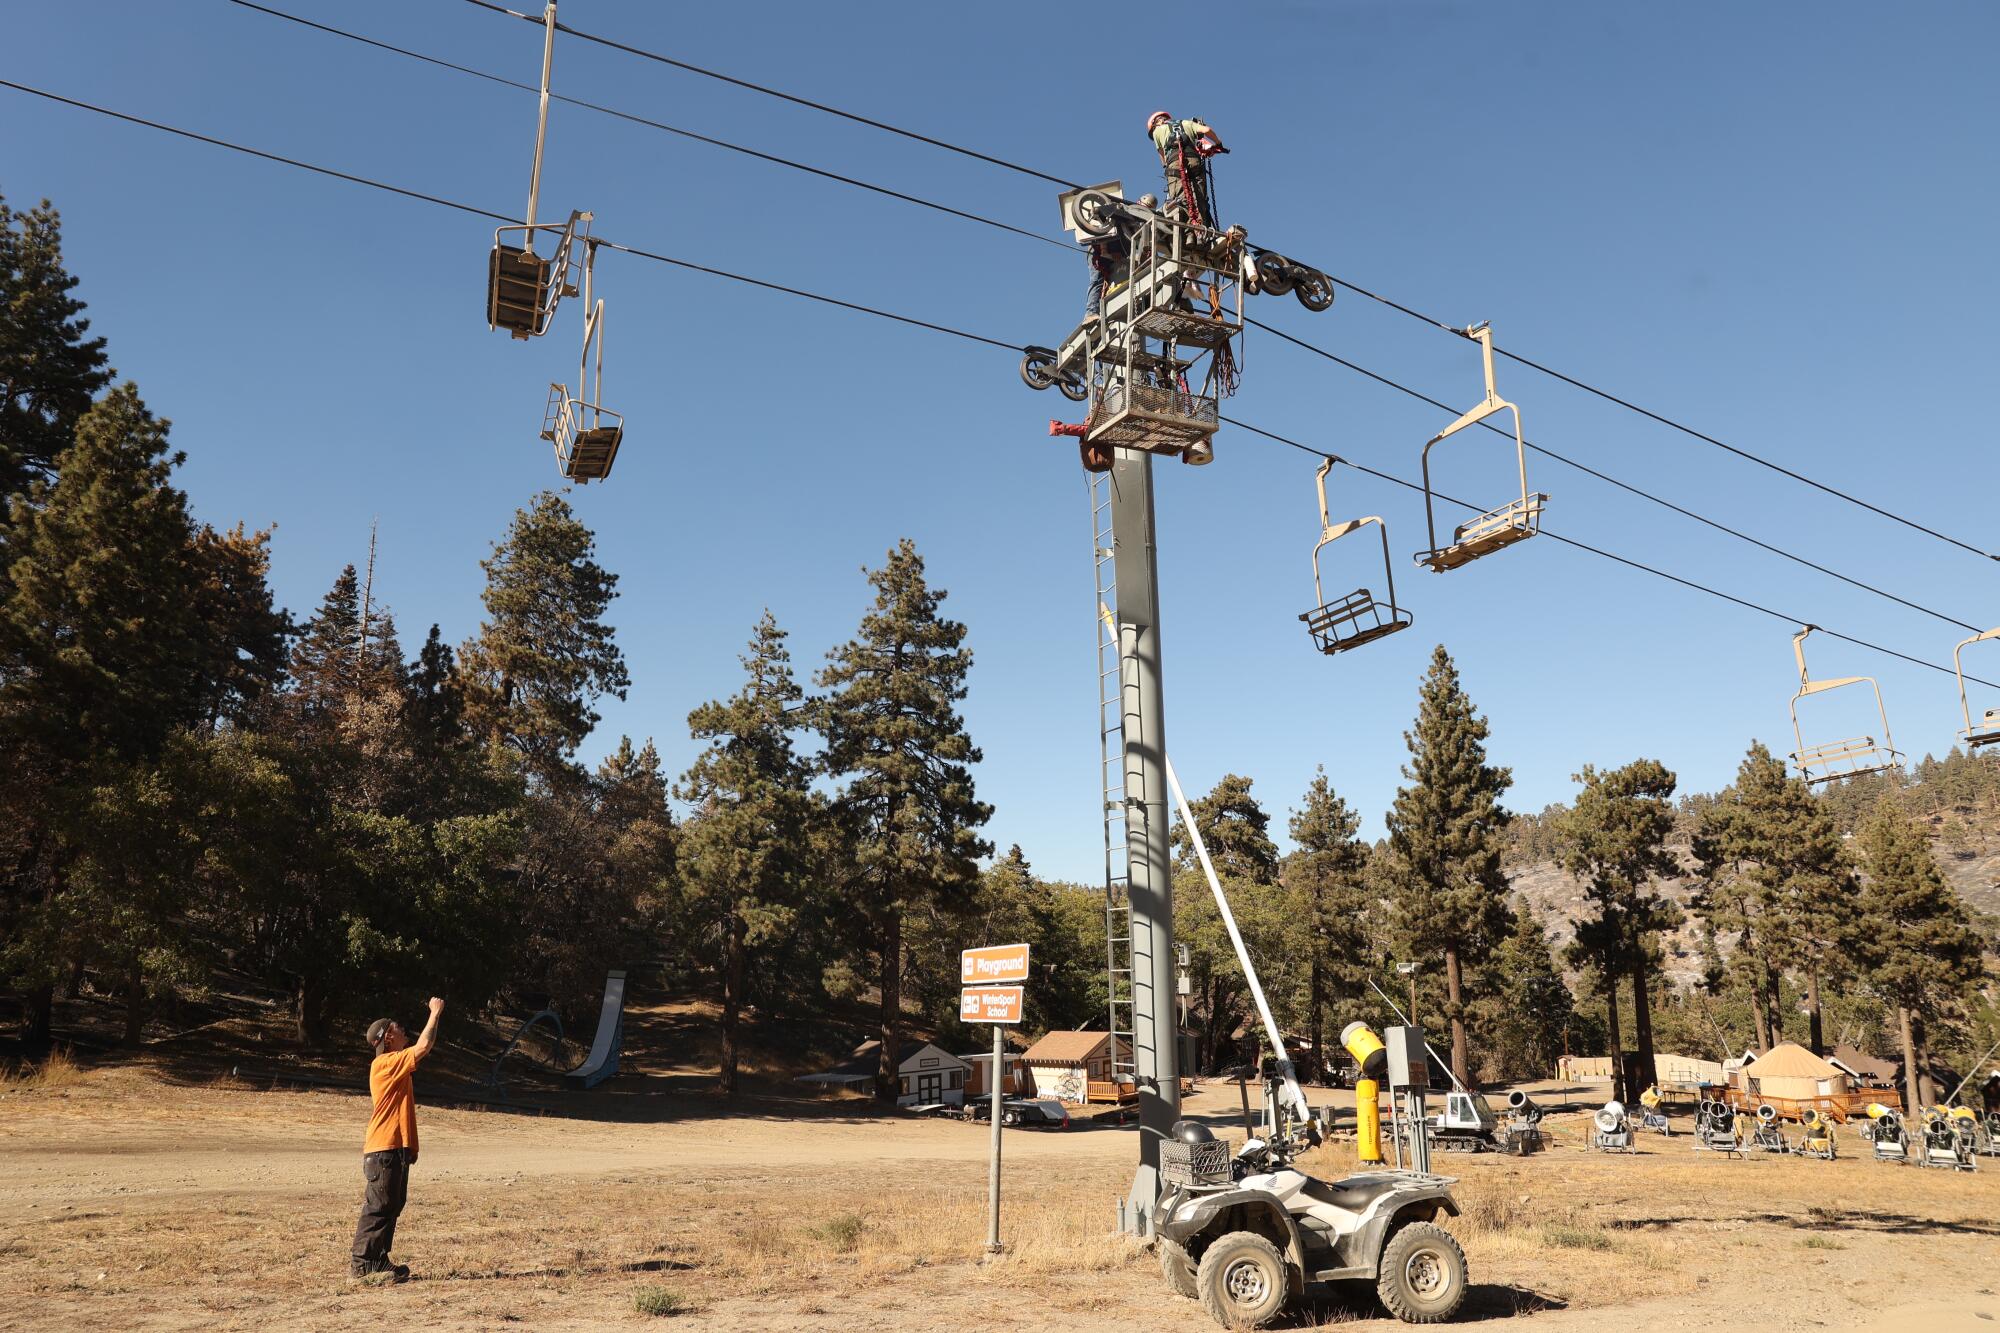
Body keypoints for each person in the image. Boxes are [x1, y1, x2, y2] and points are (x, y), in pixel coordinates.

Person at [351, 995, 444, 1283]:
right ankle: (362, 1264)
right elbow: (424, 1046)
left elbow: (425, 1045)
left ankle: (378, 1260)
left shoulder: (395, 1063)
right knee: (379, 1206)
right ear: (389, 1037)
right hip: (383, 1148)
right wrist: (435, 1012)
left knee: (392, 1204)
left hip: (394, 1149)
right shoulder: (385, 1063)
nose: (405, 1030)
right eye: (399, 1027)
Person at [1147, 111, 1227, 229]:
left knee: (1179, 198)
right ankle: (1202, 229)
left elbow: (1162, 157)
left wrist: (1166, 166)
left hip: (1175, 164)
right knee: (1199, 195)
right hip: (1194, 161)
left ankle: (1188, 232)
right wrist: (1218, 144)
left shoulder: (1157, 131)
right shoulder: (1187, 123)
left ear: (1155, 123)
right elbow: (1207, 130)